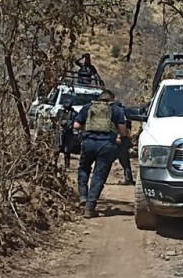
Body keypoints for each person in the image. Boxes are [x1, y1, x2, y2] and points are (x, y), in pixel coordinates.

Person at [73, 89, 127, 218]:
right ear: (111, 99)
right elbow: (123, 131)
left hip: (88, 143)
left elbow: (76, 125)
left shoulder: (88, 107)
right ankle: (90, 207)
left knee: (84, 169)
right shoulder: (116, 110)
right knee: (99, 175)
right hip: (106, 145)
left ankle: (83, 196)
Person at [114, 101, 135, 185]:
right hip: (125, 139)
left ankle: (128, 179)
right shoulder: (125, 114)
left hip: (121, 140)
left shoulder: (119, 115)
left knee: (123, 160)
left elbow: (123, 127)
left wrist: (119, 136)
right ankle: (128, 179)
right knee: (125, 161)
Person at [54, 96, 78, 169]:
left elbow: (76, 123)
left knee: (67, 151)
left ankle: (67, 165)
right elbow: (55, 121)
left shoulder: (74, 113)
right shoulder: (60, 112)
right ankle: (54, 164)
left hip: (69, 133)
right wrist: (60, 124)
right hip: (60, 132)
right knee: (57, 149)